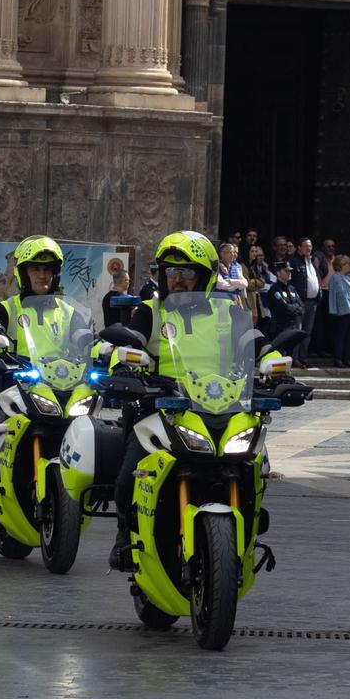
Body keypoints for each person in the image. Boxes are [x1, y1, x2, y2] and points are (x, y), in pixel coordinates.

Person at [108, 231, 221, 569]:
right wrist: (124, 365)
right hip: (159, 407)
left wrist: (274, 363)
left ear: (204, 276)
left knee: (255, 461)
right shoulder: (150, 310)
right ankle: (125, 533)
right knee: (131, 472)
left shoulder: (225, 312)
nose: (178, 280)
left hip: (215, 408)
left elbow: (254, 342)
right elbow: (130, 344)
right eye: (171, 272)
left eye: (187, 273)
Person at [325, 255, 350, 365]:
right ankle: (338, 358)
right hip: (342, 311)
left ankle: (347, 358)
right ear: (341, 266)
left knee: (349, 336)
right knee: (341, 335)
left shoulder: (347, 277)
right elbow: (341, 294)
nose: (349, 266)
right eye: (347, 264)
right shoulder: (336, 277)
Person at [261, 258, 302, 342]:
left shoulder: (292, 288)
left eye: (290, 271)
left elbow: (302, 306)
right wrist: (296, 307)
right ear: (278, 273)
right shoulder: (275, 290)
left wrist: (294, 307)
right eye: (286, 271)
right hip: (280, 328)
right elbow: (284, 308)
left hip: (293, 326)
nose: (289, 273)